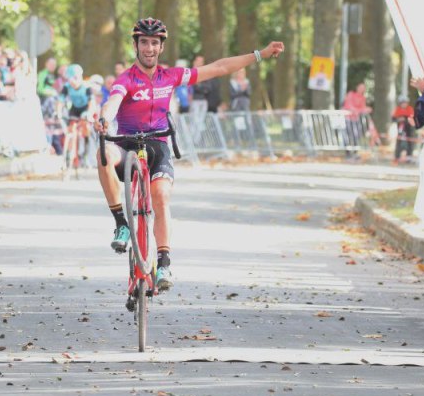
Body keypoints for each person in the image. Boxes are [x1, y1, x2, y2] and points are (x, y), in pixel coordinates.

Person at [94, 17, 283, 293]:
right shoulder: (127, 79)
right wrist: (104, 118)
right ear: (135, 45)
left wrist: (260, 54)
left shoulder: (171, 76)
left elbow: (219, 68)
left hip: (158, 145)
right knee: (103, 154)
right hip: (128, 144)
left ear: (161, 47)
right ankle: (121, 223)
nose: (149, 48)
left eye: (154, 43)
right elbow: (113, 102)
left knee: (160, 196)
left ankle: (164, 262)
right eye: (144, 42)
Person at [391, 96, 416, 163]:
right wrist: (398, 119)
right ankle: (397, 156)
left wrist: (405, 119)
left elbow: (412, 118)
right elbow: (393, 118)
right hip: (400, 127)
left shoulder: (410, 109)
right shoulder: (397, 109)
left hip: (409, 128)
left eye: (405, 103)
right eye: (402, 103)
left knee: (410, 141)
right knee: (399, 141)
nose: (404, 104)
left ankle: (409, 157)